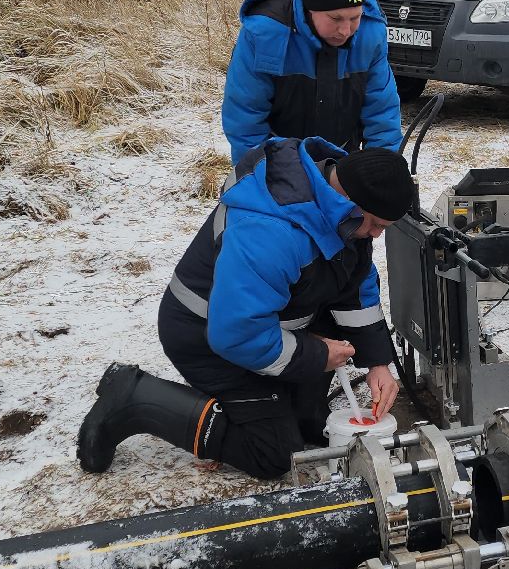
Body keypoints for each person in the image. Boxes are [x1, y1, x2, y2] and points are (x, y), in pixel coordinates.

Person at [76, 138, 417, 479]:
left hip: (267, 324)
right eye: (376, 225)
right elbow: (236, 333)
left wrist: (377, 362)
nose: (375, 236)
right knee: (275, 455)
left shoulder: (340, 211)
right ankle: (136, 397)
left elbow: (353, 282)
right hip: (206, 335)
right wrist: (314, 354)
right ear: (349, 201)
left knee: (302, 416)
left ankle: (302, 413)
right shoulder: (270, 232)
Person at [222, 0, 404, 166]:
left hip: (343, 158)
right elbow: (245, 118)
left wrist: (380, 171)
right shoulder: (265, 34)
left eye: (354, 17)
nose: (345, 30)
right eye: (335, 18)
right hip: (277, 159)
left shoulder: (370, 33)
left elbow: (382, 113)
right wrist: (261, 177)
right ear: (311, 9)